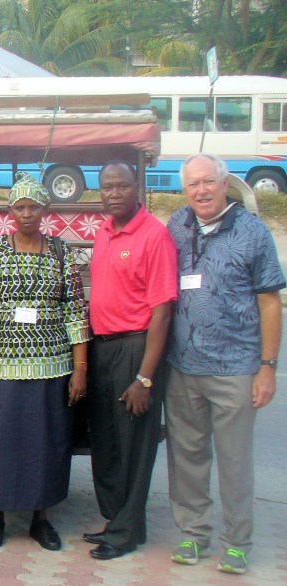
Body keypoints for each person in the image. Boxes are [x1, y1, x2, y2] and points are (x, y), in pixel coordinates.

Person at [164, 153, 283, 575]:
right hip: (182, 367)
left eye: (209, 182)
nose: (202, 191)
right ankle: (194, 534)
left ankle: (237, 542)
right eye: (193, 184)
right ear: (184, 189)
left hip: (235, 367)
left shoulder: (252, 232)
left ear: (224, 182)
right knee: (187, 458)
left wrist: (267, 366)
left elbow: (270, 302)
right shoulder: (176, 226)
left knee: (234, 460)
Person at [0, 172, 90, 551]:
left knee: (45, 443)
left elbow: (75, 311)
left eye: (34, 205)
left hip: (51, 365)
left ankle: (41, 518)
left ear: (44, 208)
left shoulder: (61, 252)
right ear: (10, 211)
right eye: (20, 206)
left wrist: (80, 368)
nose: (27, 212)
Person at [84, 161, 178, 561]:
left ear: (137, 188)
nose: (114, 193)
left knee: (133, 444)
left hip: (136, 348)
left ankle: (125, 533)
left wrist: (144, 378)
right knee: (105, 441)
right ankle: (116, 520)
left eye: (122, 186)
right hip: (102, 346)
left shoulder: (154, 236)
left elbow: (163, 312)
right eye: (107, 187)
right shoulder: (105, 232)